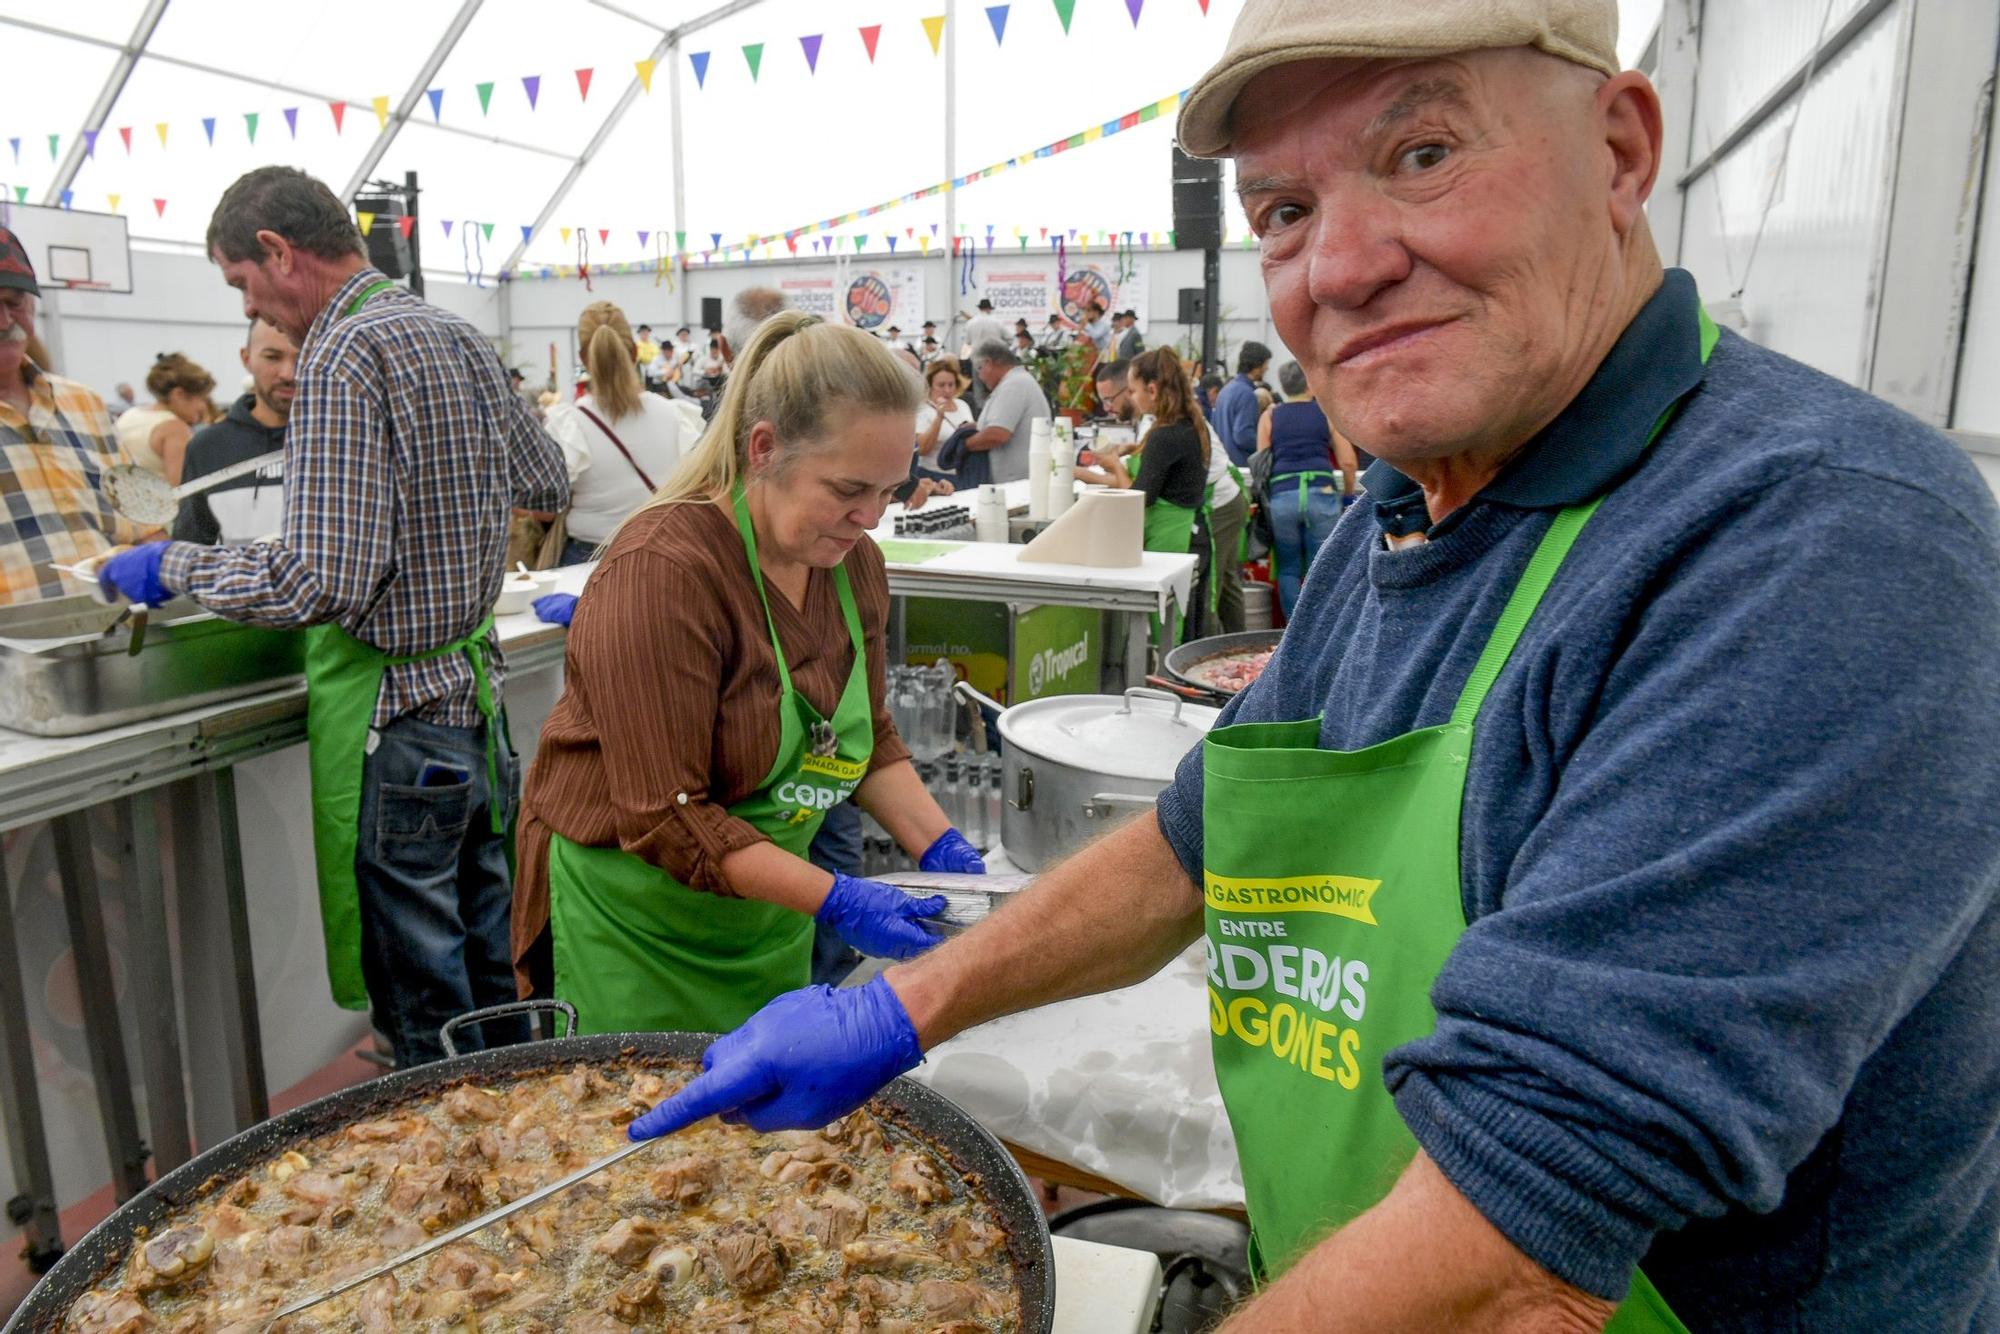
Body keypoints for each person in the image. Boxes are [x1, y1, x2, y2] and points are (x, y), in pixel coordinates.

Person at [621, 3, 2000, 1329]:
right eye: (1284, 211)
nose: (1339, 267)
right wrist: (895, 1010)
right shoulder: (1394, 527)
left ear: (1624, 151)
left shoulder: (1819, 538)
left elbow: (1519, 1254)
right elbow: (1186, 849)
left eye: (1423, 155)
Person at [97, 167, 570, 1069]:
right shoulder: (453, 331)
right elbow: (544, 479)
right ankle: (521, 1136)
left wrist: (177, 563)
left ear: (277, 251)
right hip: (473, 706)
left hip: (397, 719)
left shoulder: (343, 352)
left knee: (425, 1002)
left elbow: (324, 578)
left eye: (244, 286)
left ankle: (458, 1178)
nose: (259, 313)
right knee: (488, 961)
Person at [511, 312, 985, 1031]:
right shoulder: (663, 574)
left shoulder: (852, 564)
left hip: (762, 919)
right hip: (634, 923)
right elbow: (670, 818)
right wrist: (839, 899)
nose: (869, 516)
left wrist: (942, 848)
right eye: (848, 488)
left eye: (890, 490)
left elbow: (865, 737)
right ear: (764, 449)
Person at [0, 228, 153, 605]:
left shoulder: (83, 404)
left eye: (15, 301)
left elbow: (147, 528)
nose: (5, 321)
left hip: (111, 641)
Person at [542, 301, 702, 566]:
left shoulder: (568, 423)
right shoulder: (675, 416)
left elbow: (545, 509)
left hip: (588, 562)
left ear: (583, 357)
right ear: (634, 351)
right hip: (664, 559)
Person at [1086, 350, 1216, 608]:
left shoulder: (1163, 436)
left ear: (1152, 390)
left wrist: (1115, 466)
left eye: (1133, 391)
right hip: (1195, 537)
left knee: (1170, 631)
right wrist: (1134, 450)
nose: (1132, 399)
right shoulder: (1190, 424)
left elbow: (1137, 498)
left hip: (1174, 544)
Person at [172, 320, 297, 546]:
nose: (288, 373)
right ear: (246, 358)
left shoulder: (341, 443)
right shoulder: (207, 448)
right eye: (272, 357)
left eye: (302, 357)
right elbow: (191, 548)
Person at [1257, 361, 1362, 615]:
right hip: (1322, 493)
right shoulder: (1325, 413)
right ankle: (1320, 630)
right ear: (1309, 382)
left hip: (1283, 495)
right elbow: (1348, 462)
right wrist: (1347, 495)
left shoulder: (1270, 415)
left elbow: (1260, 463)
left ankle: (1293, 631)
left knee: (1288, 568)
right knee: (1322, 567)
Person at [115, 352, 214, 485]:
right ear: (178, 395)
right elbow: (180, 487)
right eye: (202, 398)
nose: (203, 407)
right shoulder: (173, 428)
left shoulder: (130, 414)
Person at [961, 342, 1050, 484]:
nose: (980, 377)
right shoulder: (1017, 382)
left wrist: (962, 445)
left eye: (979, 369)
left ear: (988, 363)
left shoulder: (1013, 386)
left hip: (1016, 484)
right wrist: (977, 427)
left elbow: (997, 434)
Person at [914, 355, 975, 485]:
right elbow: (922, 449)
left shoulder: (963, 405)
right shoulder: (923, 410)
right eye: (941, 385)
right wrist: (939, 418)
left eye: (951, 385)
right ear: (930, 386)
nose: (947, 390)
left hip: (963, 475)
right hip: (934, 476)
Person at [1210, 341, 1271, 467]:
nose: (1267, 368)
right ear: (1257, 365)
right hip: (1242, 466)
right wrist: (1266, 444)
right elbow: (1243, 436)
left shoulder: (1225, 390)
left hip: (1224, 465)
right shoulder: (1247, 394)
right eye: (1266, 364)